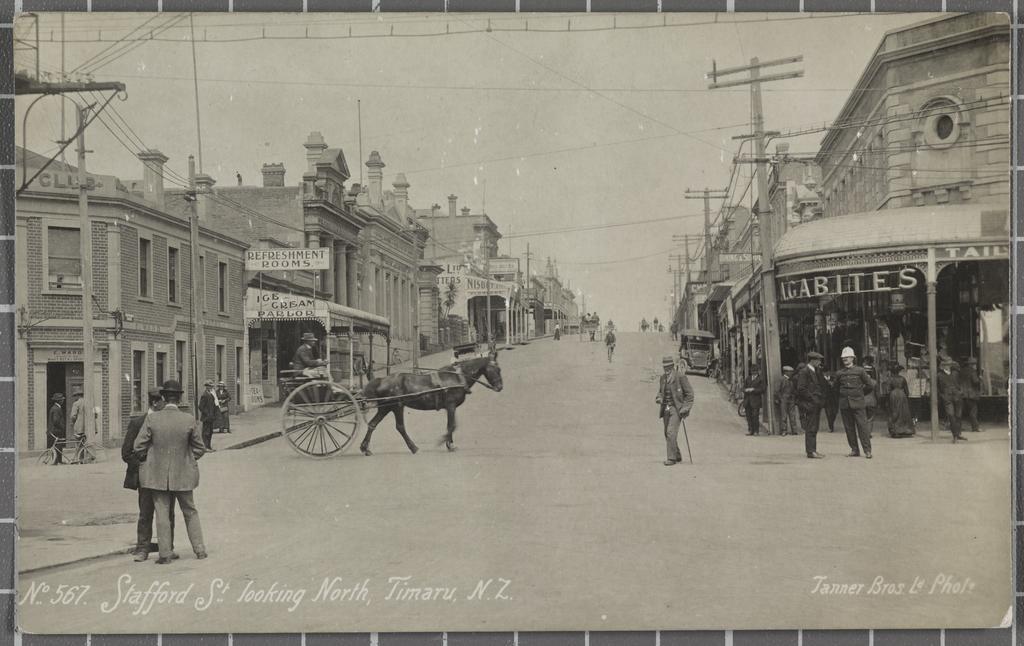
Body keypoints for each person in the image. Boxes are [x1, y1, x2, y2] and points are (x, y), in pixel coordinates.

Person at [133, 379, 208, 564]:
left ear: (164, 398)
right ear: (179, 398)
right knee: (190, 511)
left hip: (157, 475)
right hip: (184, 474)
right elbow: (200, 448)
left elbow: (138, 446)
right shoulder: (189, 419)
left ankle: (165, 554)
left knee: (162, 513)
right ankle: (199, 550)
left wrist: (151, 457)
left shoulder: (153, 418)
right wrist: (188, 459)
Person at [122, 388, 176, 562]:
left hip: (167, 476)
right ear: (155, 403)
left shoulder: (170, 422)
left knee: (168, 513)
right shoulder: (138, 423)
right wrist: (144, 466)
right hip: (146, 477)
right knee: (145, 513)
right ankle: (142, 549)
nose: (166, 405)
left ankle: (167, 548)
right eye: (163, 402)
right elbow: (127, 453)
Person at [835, 346, 875, 459]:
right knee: (849, 428)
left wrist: (860, 394)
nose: (845, 359)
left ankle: (867, 451)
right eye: (843, 357)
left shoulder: (860, 371)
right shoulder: (839, 373)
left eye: (847, 357)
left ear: (853, 358)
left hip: (858, 404)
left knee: (863, 427)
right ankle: (854, 449)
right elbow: (835, 388)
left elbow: (870, 385)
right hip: (845, 404)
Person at [656, 355, 694, 466]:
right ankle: (677, 454)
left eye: (668, 367)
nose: (666, 370)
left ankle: (671, 459)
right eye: (664, 367)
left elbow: (690, 394)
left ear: (672, 366)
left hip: (677, 409)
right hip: (666, 408)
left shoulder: (680, 377)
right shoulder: (662, 378)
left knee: (671, 432)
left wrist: (685, 408)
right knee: (666, 433)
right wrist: (659, 398)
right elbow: (660, 392)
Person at [795, 352, 827, 459]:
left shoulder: (815, 371)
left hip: (814, 404)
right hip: (810, 404)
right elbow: (801, 389)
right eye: (818, 360)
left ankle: (813, 450)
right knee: (811, 428)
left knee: (814, 428)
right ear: (812, 360)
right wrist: (813, 399)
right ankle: (810, 451)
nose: (820, 362)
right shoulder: (804, 372)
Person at [937, 358, 966, 443]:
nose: (947, 367)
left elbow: (961, 383)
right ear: (942, 366)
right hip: (947, 398)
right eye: (945, 365)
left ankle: (958, 434)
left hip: (957, 397)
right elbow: (938, 388)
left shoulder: (956, 373)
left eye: (948, 365)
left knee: (959, 416)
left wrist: (961, 392)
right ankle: (955, 435)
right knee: (951, 415)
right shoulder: (939, 375)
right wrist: (942, 395)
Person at [886, 363, 915, 438]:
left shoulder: (890, 379)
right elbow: (906, 391)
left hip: (893, 395)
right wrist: (906, 396)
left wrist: (887, 399)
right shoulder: (902, 379)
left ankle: (895, 430)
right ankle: (906, 430)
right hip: (902, 395)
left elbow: (887, 390)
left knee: (894, 411)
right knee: (904, 412)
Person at [776, 366, 801, 436]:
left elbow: (794, 390)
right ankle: (784, 430)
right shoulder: (781, 379)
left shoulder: (791, 380)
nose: (791, 373)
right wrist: (780, 398)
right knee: (784, 416)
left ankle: (794, 430)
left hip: (791, 399)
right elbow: (777, 390)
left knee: (792, 415)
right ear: (786, 372)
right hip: (784, 399)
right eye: (790, 372)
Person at [960, 357, 981, 433]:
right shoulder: (973, 372)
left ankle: (958, 427)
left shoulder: (962, 371)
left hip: (963, 394)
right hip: (971, 394)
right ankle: (975, 428)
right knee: (973, 411)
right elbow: (975, 381)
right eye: (975, 364)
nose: (976, 365)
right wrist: (980, 379)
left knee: (960, 411)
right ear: (973, 364)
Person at [742, 365, 764, 436]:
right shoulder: (748, 378)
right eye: (752, 371)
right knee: (748, 416)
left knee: (755, 416)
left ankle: (756, 431)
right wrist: (745, 390)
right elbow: (743, 387)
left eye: (755, 371)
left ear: (757, 372)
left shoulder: (761, 379)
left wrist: (753, 390)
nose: (754, 373)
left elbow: (763, 389)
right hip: (747, 400)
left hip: (756, 401)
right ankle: (750, 430)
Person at [46, 393, 66, 465]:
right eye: (62, 400)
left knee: (58, 446)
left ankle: (58, 461)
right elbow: (56, 421)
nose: (63, 401)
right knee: (57, 446)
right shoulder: (56, 409)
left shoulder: (55, 408)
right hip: (56, 431)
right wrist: (62, 427)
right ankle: (56, 461)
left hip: (54, 430)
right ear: (59, 401)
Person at [198, 380, 219, 451]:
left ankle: (209, 446)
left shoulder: (211, 394)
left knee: (210, 432)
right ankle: (205, 447)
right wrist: (207, 413)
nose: (211, 387)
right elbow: (200, 407)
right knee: (206, 432)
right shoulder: (204, 395)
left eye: (212, 386)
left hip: (211, 417)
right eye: (210, 386)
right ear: (206, 387)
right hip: (206, 418)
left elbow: (213, 405)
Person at [862, 356, 878, 422]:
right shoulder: (874, 382)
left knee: (863, 419)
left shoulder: (860, 382)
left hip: (862, 402)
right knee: (870, 420)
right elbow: (877, 394)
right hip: (872, 402)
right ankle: (868, 431)